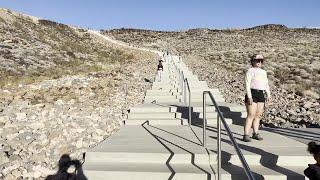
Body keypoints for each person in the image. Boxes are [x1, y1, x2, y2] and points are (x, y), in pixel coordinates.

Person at [243, 54, 271, 142]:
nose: (259, 62)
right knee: (251, 114)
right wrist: (249, 96)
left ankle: (255, 133)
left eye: (261, 61)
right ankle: (246, 134)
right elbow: (247, 84)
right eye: (257, 60)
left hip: (261, 94)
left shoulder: (263, 72)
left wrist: (268, 94)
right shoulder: (250, 71)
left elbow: (266, 84)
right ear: (253, 61)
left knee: (258, 115)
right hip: (252, 92)